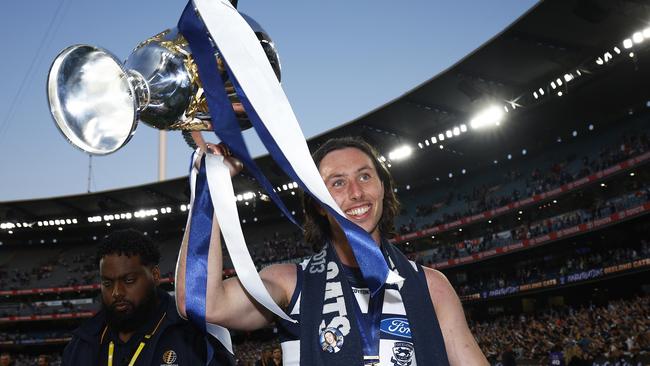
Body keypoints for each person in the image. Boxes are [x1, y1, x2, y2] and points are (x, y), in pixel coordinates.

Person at [176, 137, 488, 365]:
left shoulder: (431, 286)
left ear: (383, 187)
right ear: (318, 204)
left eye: (365, 176)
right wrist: (210, 187)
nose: (356, 193)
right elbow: (201, 302)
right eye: (337, 184)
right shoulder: (291, 283)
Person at [62, 229, 233, 366]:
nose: (116, 292)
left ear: (155, 275)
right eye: (107, 284)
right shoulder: (82, 342)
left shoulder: (193, 335)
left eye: (128, 280)